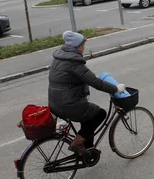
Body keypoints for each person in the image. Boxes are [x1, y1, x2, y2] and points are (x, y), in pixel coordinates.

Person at [48, 30, 125, 160]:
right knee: (100, 114)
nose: (84, 48)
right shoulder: (73, 61)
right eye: (83, 45)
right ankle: (78, 143)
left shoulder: (60, 57)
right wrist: (115, 89)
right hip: (68, 104)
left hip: (55, 102)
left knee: (88, 117)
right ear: (77, 46)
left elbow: (80, 77)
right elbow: (95, 83)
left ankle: (87, 151)